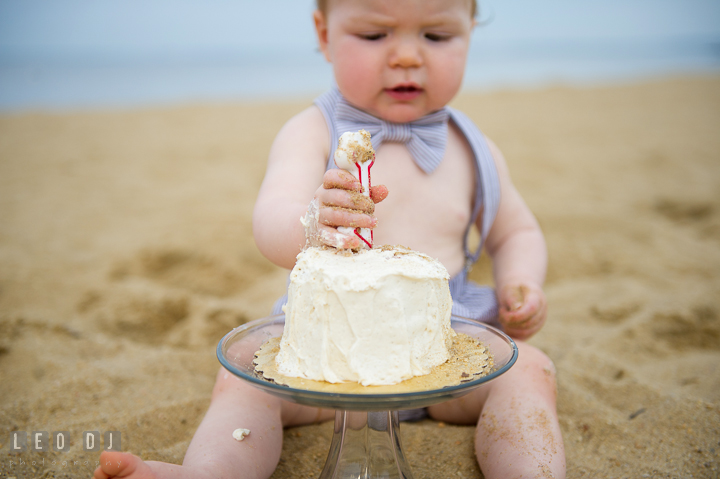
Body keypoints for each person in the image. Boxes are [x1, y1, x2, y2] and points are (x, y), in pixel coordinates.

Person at [94, 0, 566, 478]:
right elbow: (270, 221)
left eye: (436, 36)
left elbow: (515, 232)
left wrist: (521, 282)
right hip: (326, 354)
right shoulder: (312, 133)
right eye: (375, 35)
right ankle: (209, 473)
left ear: (469, 33)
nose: (406, 56)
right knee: (245, 386)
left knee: (530, 369)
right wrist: (313, 223)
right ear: (323, 35)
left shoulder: (475, 147)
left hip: (445, 349)